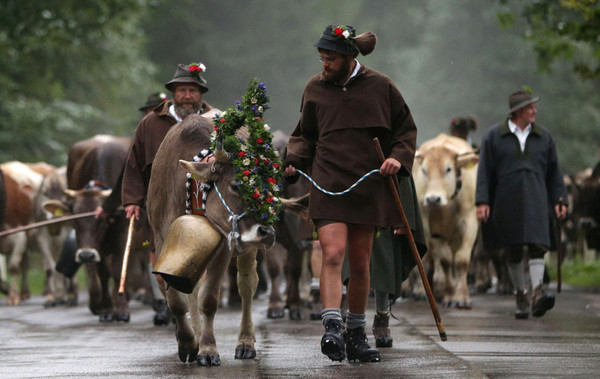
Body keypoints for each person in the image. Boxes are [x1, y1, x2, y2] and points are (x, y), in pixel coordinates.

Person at [283, 24, 418, 363]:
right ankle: (331, 328)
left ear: (347, 57)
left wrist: (396, 159)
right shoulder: (315, 87)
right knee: (332, 252)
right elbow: (304, 133)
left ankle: (357, 334)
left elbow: (405, 131)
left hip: (369, 182)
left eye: (330, 58)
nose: (324, 63)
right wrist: (293, 161)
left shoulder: (382, 86)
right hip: (328, 179)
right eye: (322, 57)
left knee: (359, 262)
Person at [121, 63, 214, 322]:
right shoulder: (151, 123)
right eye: (182, 90)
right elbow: (134, 163)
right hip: (161, 201)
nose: (187, 95)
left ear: (201, 93)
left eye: (193, 90)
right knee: (162, 262)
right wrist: (131, 199)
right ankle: (174, 306)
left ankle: (193, 313)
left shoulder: (216, 121)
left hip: (201, 199)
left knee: (199, 257)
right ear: (173, 92)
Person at [475, 90, 567, 319]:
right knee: (514, 249)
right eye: (530, 108)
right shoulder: (495, 136)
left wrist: (560, 199)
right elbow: (484, 171)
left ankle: (537, 293)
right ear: (517, 112)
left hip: (537, 198)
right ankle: (521, 293)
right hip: (507, 200)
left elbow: (554, 172)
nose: (535, 111)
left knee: (538, 246)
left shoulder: (543, 137)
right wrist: (483, 201)